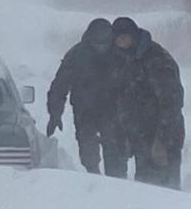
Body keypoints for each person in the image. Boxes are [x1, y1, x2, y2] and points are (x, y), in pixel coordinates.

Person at [47, 18, 128, 177]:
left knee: (116, 152)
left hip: (114, 112)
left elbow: (133, 83)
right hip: (85, 112)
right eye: (97, 43)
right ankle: (92, 179)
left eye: (104, 43)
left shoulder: (120, 54)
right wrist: (55, 113)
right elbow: (60, 85)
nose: (101, 47)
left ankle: (118, 184)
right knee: (88, 150)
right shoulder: (77, 55)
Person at [110, 17, 185, 190]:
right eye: (117, 39)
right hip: (142, 139)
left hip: (164, 137)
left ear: (134, 36)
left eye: (124, 37)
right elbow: (127, 99)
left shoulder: (156, 59)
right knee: (145, 191)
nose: (121, 42)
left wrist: (162, 140)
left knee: (166, 192)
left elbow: (171, 102)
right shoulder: (128, 59)